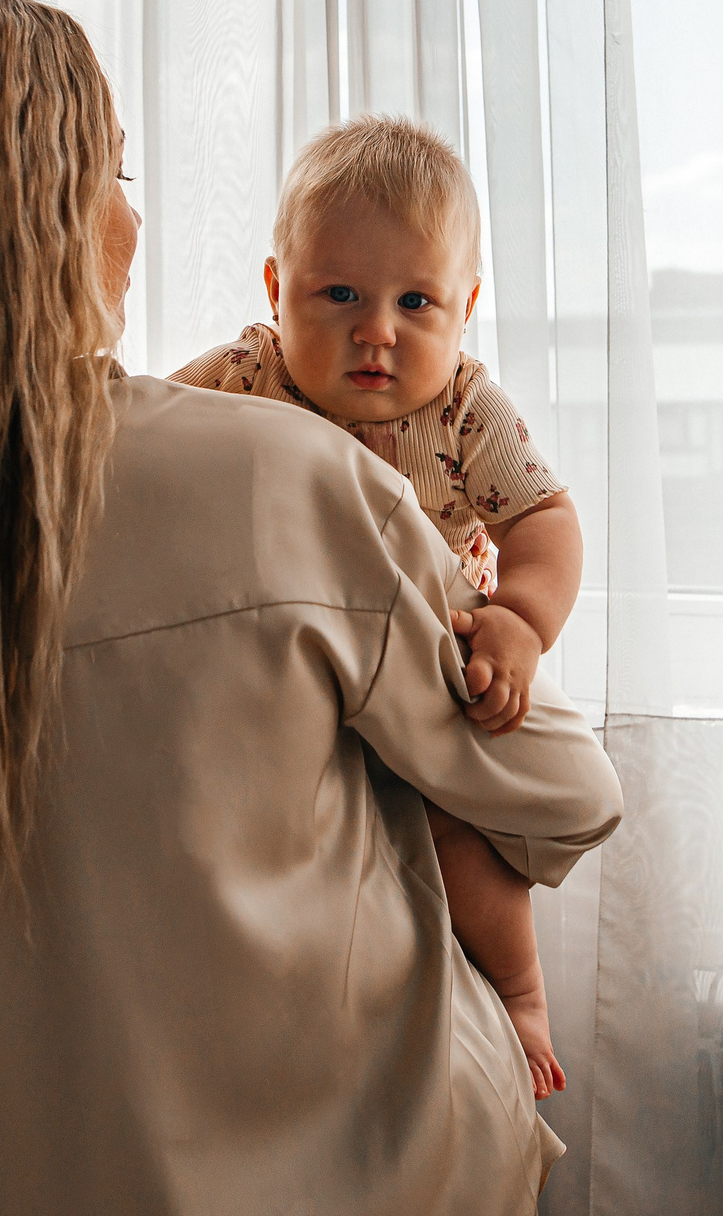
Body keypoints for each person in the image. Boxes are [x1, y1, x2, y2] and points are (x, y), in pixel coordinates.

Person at [0, 0, 622, 1215]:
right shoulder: (274, 475)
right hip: (372, 1174)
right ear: (41, 217)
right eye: (116, 176)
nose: (132, 221)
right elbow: (563, 793)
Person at [167, 116, 582, 1097]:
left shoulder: (465, 411)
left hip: (420, 667)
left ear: (465, 307)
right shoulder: (246, 376)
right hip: (285, 662)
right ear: (277, 290)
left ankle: (519, 993)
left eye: (415, 301)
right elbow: (142, 442)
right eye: (340, 293)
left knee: (455, 841)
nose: (377, 330)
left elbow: (545, 518)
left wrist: (520, 617)